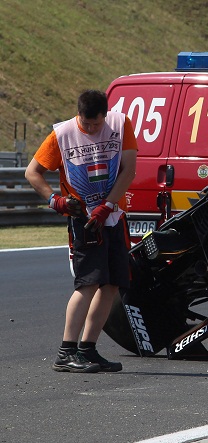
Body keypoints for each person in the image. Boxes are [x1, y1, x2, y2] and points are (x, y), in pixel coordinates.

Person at [25, 90, 137, 373]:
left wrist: (109, 204)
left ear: (105, 115)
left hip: (113, 216)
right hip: (83, 218)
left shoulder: (121, 125)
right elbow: (32, 172)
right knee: (87, 283)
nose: (90, 129)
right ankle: (66, 351)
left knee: (112, 284)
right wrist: (55, 200)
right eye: (85, 124)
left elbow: (128, 170)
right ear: (79, 115)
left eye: (95, 124)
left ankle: (88, 348)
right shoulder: (62, 133)